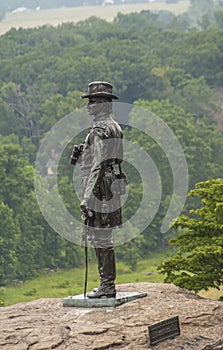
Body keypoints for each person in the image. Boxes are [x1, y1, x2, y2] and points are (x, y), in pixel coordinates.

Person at [71, 81, 125, 298]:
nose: (88, 106)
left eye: (92, 102)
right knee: (103, 237)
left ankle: (107, 285)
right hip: (109, 183)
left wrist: (86, 197)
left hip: (99, 187)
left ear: (103, 104)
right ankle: (107, 284)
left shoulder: (99, 130)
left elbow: (98, 164)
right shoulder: (115, 126)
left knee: (101, 238)